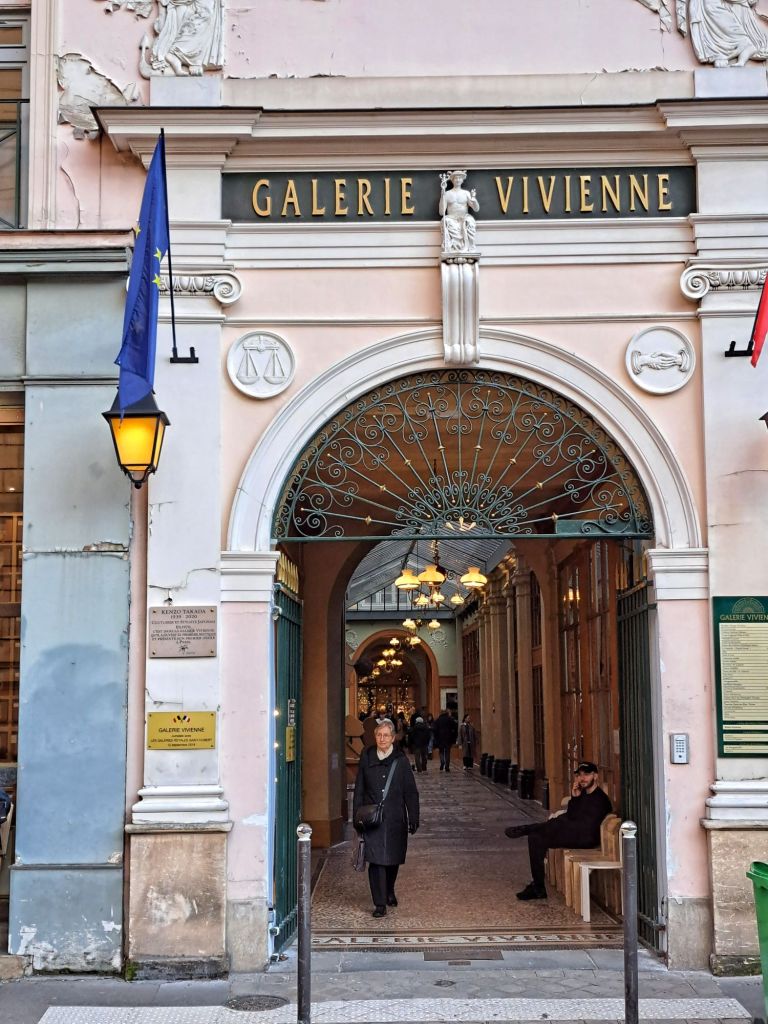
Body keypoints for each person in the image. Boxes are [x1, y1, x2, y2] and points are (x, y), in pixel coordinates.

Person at [505, 761, 612, 901]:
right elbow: (573, 815)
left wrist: (561, 823)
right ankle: (538, 887)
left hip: (586, 838)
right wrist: (575, 797)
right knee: (536, 838)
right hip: (575, 833)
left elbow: (585, 826)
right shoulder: (584, 794)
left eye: (587, 774)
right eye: (579, 775)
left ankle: (527, 828)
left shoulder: (600, 799)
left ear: (595, 776)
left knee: (550, 826)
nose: (583, 778)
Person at [353, 719, 419, 917]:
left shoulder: (401, 760)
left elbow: (410, 791)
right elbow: (359, 788)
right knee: (376, 860)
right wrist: (357, 815)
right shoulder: (367, 756)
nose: (382, 739)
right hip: (372, 818)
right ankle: (379, 903)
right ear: (375, 737)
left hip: (395, 817)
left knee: (392, 858)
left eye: (386, 736)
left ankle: (389, 889)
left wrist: (414, 816)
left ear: (393, 738)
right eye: (379, 735)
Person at [439, 169, 479, 253]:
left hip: (464, 218)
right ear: (452, 180)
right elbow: (442, 212)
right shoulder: (447, 194)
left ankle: (470, 246)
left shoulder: (466, 193)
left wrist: (474, 199)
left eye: (460, 178)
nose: (458, 180)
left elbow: (476, 209)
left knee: (470, 221)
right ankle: (451, 247)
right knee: (445, 220)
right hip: (451, 218)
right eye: (456, 178)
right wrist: (442, 193)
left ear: (462, 180)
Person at [433, 707, 459, 772]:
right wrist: (454, 737)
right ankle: (447, 766)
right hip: (448, 738)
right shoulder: (450, 719)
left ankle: (442, 761)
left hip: (440, 738)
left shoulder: (438, 720)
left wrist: (436, 738)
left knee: (441, 751)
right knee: (447, 752)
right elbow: (455, 728)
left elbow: (435, 730)